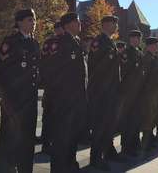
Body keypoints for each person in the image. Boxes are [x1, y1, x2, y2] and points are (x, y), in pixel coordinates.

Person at [0, 9, 40, 173]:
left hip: (30, 97)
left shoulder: (34, 42)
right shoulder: (11, 41)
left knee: (28, 136)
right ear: (20, 22)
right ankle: (6, 167)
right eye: (30, 20)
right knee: (10, 135)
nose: (33, 23)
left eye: (34, 20)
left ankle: (25, 168)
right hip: (14, 98)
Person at [48, 13, 88, 173]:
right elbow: (53, 72)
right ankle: (58, 168)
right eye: (77, 21)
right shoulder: (59, 43)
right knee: (61, 138)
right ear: (68, 25)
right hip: (63, 101)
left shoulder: (76, 43)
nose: (80, 24)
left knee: (72, 137)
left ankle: (70, 165)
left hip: (75, 100)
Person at [87, 15, 120, 171]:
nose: (116, 26)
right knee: (100, 126)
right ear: (106, 24)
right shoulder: (98, 42)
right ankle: (96, 158)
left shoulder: (110, 42)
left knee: (108, 124)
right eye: (114, 23)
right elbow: (97, 68)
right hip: (101, 91)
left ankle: (108, 152)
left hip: (110, 91)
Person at [39, 21, 64, 154]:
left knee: (54, 116)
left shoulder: (62, 41)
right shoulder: (52, 42)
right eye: (58, 29)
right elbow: (43, 61)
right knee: (49, 115)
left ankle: (50, 141)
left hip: (57, 85)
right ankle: (46, 143)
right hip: (52, 85)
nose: (60, 31)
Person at [119, 30, 144, 157]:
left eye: (138, 38)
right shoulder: (126, 53)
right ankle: (126, 146)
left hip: (138, 92)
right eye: (133, 38)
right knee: (127, 120)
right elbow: (123, 73)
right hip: (128, 92)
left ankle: (134, 143)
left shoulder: (140, 53)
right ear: (129, 39)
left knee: (136, 119)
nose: (136, 40)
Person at [140, 37, 158, 152]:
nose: (157, 47)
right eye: (155, 45)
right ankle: (146, 142)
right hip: (149, 93)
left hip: (155, 92)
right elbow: (144, 77)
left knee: (153, 116)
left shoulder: (154, 57)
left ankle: (150, 138)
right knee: (148, 117)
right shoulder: (147, 58)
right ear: (149, 46)